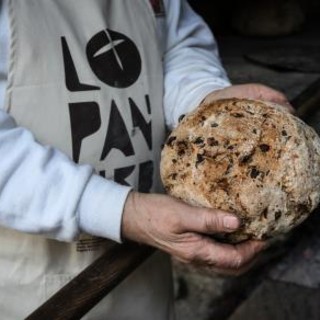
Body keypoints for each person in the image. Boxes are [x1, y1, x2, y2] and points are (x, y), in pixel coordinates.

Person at [0, 0, 292, 319]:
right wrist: (123, 211)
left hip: (144, 278)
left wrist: (202, 100)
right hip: (31, 290)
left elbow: (176, 43)